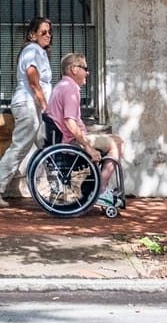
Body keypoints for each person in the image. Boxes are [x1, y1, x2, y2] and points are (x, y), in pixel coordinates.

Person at [0, 16, 52, 207]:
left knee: (43, 145)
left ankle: (52, 189)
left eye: (49, 32)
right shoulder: (32, 50)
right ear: (32, 34)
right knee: (20, 146)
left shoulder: (39, 51)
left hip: (34, 106)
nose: (48, 35)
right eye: (43, 32)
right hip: (28, 104)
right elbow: (33, 81)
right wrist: (46, 106)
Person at [47, 52, 126, 216]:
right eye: (84, 68)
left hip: (64, 139)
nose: (87, 72)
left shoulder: (62, 86)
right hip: (69, 142)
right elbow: (70, 122)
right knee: (116, 144)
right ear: (73, 69)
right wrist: (88, 147)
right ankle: (100, 190)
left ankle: (97, 186)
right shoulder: (69, 89)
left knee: (117, 139)